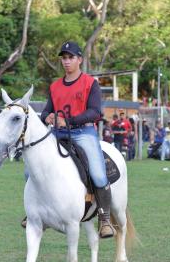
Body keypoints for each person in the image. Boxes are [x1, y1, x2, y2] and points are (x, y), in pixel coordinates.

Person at [40, 40, 116, 238]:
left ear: (79, 60)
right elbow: (47, 110)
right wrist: (46, 116)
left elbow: (95, 112)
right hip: (57, 133)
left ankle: (105, 219)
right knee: (31, 170)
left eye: (70, 57)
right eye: (64, 58)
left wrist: (69, 121)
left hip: (83, 133)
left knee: (99, 175)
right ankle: (36, 213)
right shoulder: (55, 86)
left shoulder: (90, 83)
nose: (66, 61)